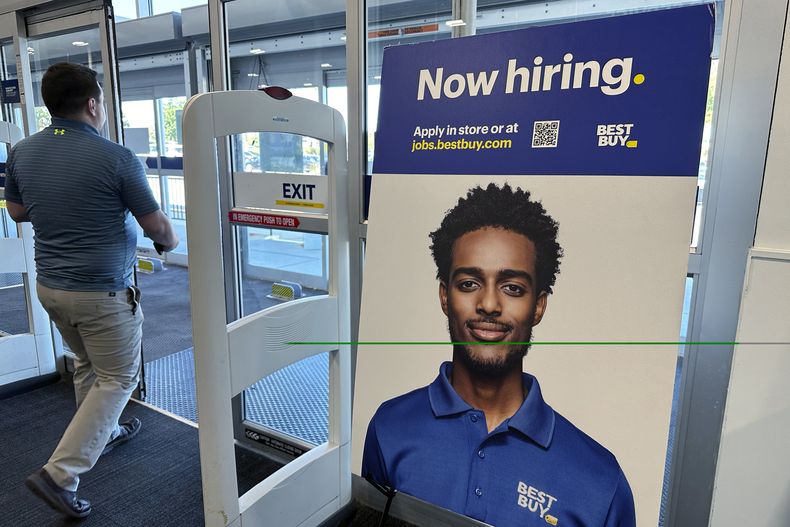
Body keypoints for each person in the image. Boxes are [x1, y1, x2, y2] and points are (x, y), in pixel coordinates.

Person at [362, 183, 635, 526]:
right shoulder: (389, 428)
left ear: (538, 305)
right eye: (469, 284)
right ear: (445, 297)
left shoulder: (601, 481)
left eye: (513, 288)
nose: (489, 304)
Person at [4, 62, 179, 519]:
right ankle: (60, 475)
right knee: (119, 378)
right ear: (93, 104)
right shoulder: (116, 157)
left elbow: (18, 211)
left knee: (88, 364)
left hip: (52, 290)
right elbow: (155, 224)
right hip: (101, 294)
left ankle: (105, 431)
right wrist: (170, 239)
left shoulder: (22, 151)